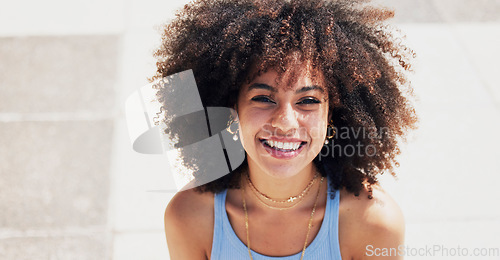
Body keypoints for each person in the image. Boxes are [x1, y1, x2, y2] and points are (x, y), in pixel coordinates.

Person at [156, 0, 417, 259]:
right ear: (231, 108)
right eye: (264, 99)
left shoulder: (372, 221)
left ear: (333, 116)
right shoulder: (191, 216)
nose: (285, 122)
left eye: (308, 101)